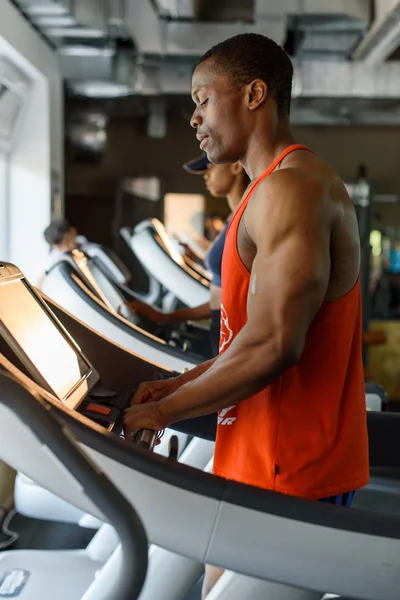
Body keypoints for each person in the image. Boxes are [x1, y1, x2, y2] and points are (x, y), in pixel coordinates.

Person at [124, 33, 369, 598]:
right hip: (257, 454)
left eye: (203, 98)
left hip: (291, 467)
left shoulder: (293, 190)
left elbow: (275, 345)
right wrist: (173, 385)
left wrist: (163, 412)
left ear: (255, 93)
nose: (193, 117)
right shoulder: (268, 190)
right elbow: (244, 337)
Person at [131, 153, 249, 356]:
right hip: (222, 325)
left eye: (210, 167)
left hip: (235, 332)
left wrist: (168, 317)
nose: (206, 176)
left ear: (236, 167)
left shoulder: (248, 218)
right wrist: (167, 317)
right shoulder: (234, 217)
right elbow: (222, 299)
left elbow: (240, 297)